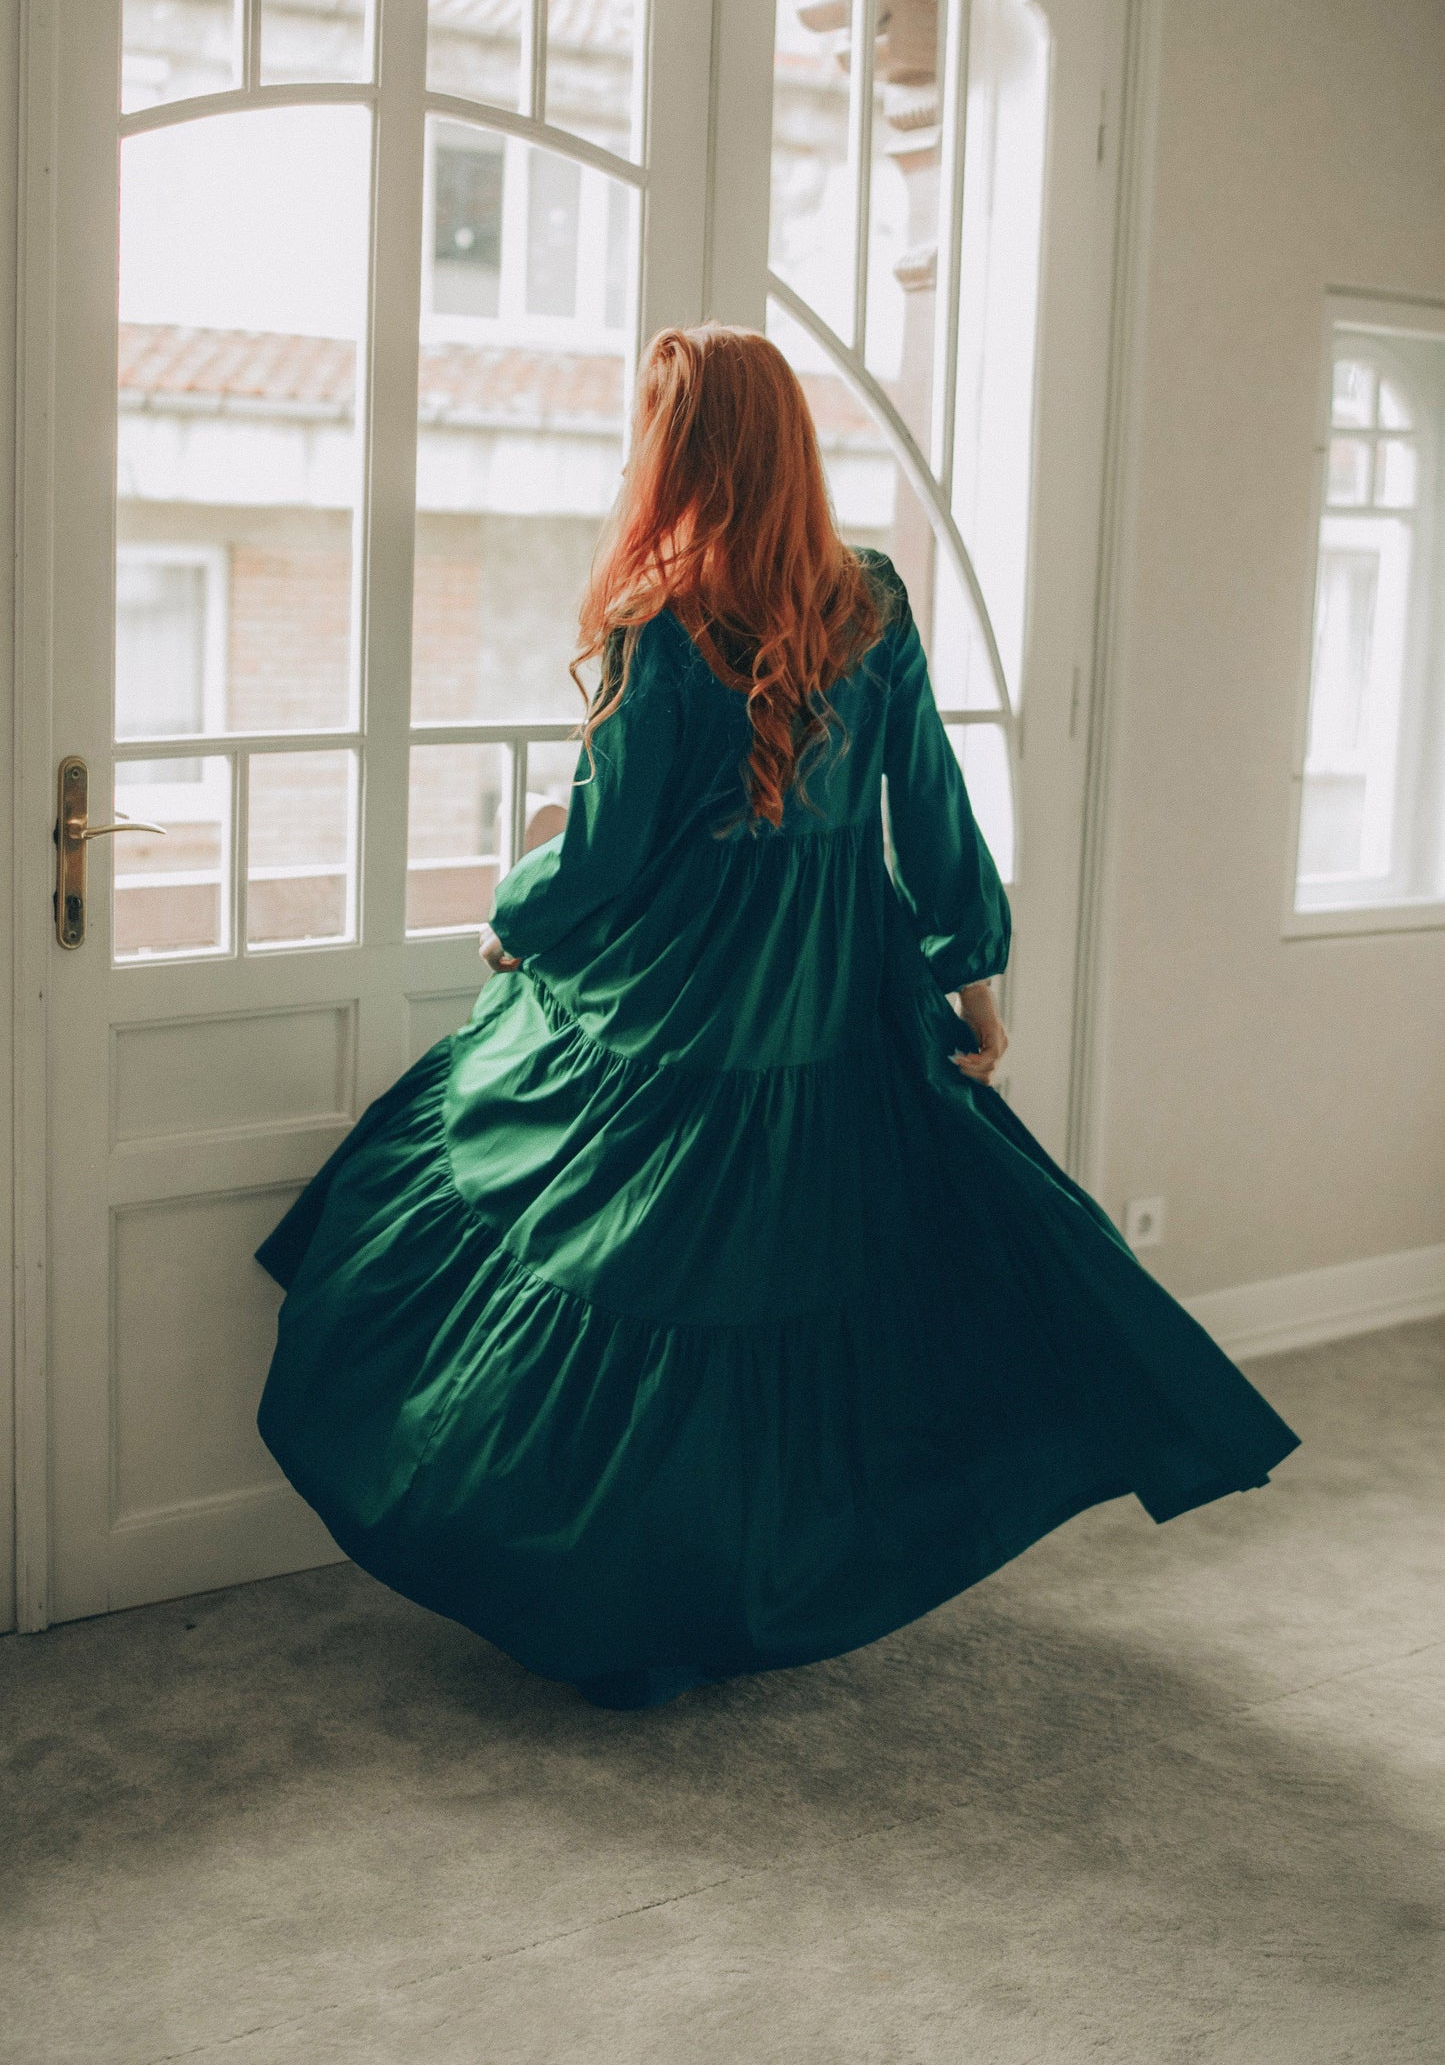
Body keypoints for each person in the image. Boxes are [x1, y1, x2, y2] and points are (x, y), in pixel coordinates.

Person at [256, 325, 1299, 1711]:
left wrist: (517, 911)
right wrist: (967, 972)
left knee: (628, 1276)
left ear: (682, 449)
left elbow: (611, 854)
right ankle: (729, 1599)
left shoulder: (656, 616)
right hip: (828, 993)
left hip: (680, 995)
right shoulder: (867, 596)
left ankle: (626, 1618)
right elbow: (927, 805)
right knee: (769, 1296)